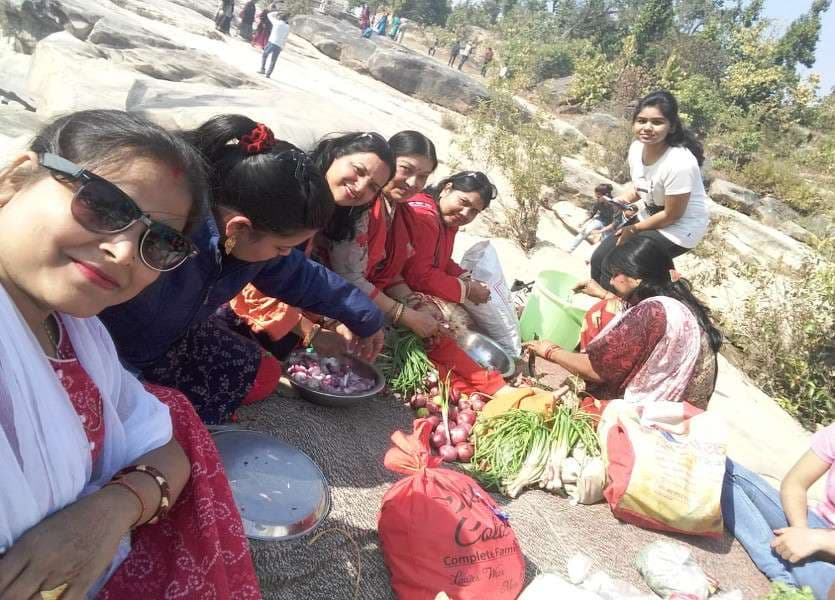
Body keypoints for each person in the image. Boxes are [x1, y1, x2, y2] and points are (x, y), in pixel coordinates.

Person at [0, 110, 259, 598]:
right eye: (102, 203)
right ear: (14, 179)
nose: (123, 251)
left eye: (158, 244)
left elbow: (169, 452)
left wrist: (106, 513)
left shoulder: (77, 333)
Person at [99, 116, 385, 424]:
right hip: (110, 346)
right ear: (240, 229)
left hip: (171, 334)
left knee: (256, 371)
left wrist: (365, 317)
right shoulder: (167, 243)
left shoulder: (249, 240)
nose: (285, 255)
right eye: (281, 247)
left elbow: (301, 275)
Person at [230, 131, 395, 358]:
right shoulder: (292, 190)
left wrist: (340, 318)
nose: (360, 188)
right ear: (334, 155)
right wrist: (313, 333)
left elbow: (298, 271)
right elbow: (263, 270)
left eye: (373, 186)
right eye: (358, 171)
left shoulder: (337, 211)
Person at [525, 236, 721, 409]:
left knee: (600, 314)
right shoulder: (677, 297)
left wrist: (550, 351)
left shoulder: (652, 312)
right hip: (685, 403)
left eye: (615, 274)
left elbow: (597, 370)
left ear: (636, 277)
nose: (611, 281)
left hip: (660, 410)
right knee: (608, 308)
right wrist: (601, 293)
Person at [317, 131, 441, 339]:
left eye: (422, 177)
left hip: (361, 298)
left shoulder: (399, 211)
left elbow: (388, 269)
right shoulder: (359, 203)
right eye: (406, 170)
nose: (412, 183)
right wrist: (404, 315)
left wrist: (415, 304)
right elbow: (349, 275)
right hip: (324, 297)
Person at [589, 90, 710, 288]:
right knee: (599, 259)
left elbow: (672, 215)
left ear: (671, 127)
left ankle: (625, 311)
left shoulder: (679, 162)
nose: (647, 127)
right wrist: (621, 200)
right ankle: (603, 310)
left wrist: (633, 229)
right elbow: (642, 187)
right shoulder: (637, 149)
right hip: (653, 217)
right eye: (641, 120)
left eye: (657, 122)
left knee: (615, 267)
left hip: (680, 229)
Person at [722, 425, 835, 599]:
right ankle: (787, 566)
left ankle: (781, 576)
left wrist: (817, 540)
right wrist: (800, 532)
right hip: (818, 525)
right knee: (721, 470)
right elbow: (795, 484)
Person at [400, 171, 495, 307]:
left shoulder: (447, 220)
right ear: (446, 189)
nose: (465, 213)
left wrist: (463, 277)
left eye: (474, 211)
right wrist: (465, 290)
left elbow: (437, 258)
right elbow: (418, 275)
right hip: (393, 290)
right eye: (463, 201)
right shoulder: (425, 218)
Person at [566, 183, 616, 253]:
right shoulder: (598, 202)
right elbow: (592, 213)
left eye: (598, 196)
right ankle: (570, 249)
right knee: (586, 231)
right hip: (601, 220)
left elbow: (616, 222)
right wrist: (583, 221)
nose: (597, 198)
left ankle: (591, 260)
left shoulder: (615, 205)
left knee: (604, 243)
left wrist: (602, 231)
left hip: (612, 226)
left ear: (606, 196)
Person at [258, 11, 290, 78]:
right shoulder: (287, 27)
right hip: (279, 45)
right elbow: (285, 38)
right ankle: (268, 74)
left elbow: (269, 14)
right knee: (273, 60)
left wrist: (278, 12)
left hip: (272, 42)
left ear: (280, 17)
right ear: (286, 19)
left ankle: (262, 69)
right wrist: (282, 46)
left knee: (265, 55)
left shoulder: (276, 22)